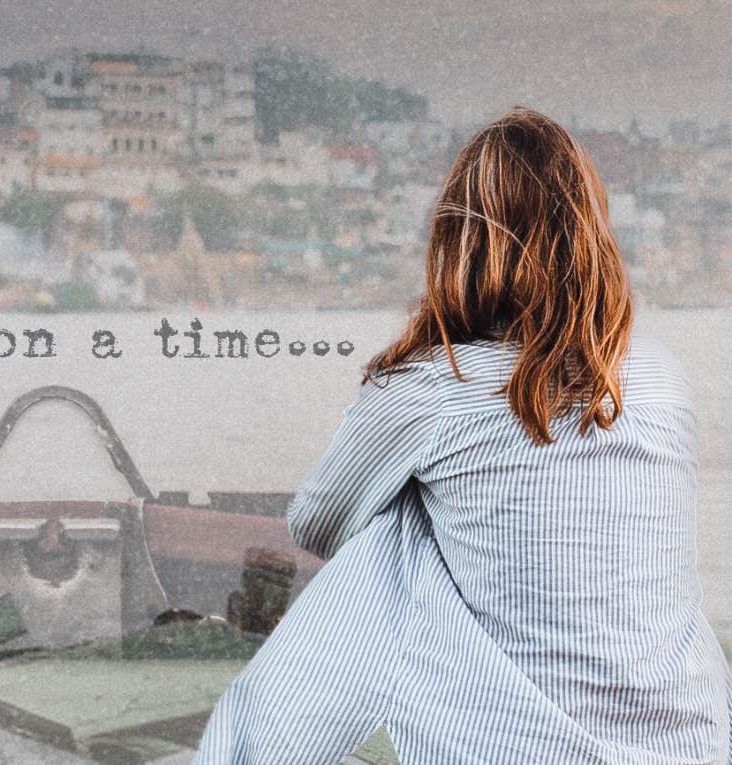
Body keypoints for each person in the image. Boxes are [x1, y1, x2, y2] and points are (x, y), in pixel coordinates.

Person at [193, 106, 732, 764]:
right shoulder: (660, 377)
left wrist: (414, 418)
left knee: (404, 530)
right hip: (693, 743)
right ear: (591, 233)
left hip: (514, 749)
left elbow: (318, 525)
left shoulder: (432, 388)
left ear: (460, 240)